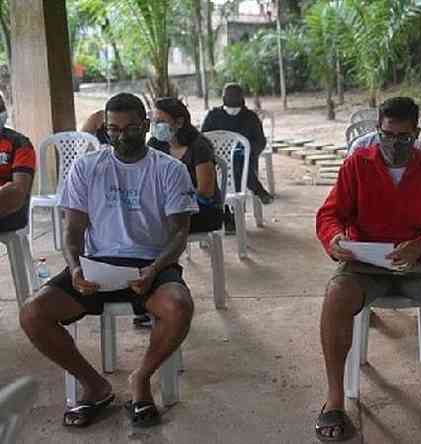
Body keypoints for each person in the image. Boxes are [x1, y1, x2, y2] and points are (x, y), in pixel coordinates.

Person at [314, 97, 421, 442]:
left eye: (403, 137)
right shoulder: (356, 165)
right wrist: (333, 238)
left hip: (419, 263)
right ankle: (334, 400)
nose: (394, 144)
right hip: (365, 264)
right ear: (377, 131)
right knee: (336, 296)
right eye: (386, 135)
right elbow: (330, 214)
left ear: (417, 133)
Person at [19, 93, 197, 428]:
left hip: (152, 264)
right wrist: (74, 269)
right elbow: (73, 232)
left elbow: (178, 235)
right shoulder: (87, 167)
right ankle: (95, 386)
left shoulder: (169, 170)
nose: (120, 136)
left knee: (179, 307)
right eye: (113, 129)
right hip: (97, 266)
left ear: (145, 126)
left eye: (130, 128)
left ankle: (140, 380)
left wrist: (154, 270)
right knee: (33, 312)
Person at [201, 83, 273, 235]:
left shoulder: (251, 117)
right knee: (229, 163)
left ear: (242, 98)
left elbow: (260, 141)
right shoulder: (213, 116)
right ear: (223, 98)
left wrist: (247, 151)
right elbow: (203, 141)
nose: (232, 99)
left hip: (245, 161)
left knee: (237, 161)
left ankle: (229, 218)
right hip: (217, 165)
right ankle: (257, 189)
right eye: (229, 96)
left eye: (235, 96)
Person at [150, 97, 222, 233]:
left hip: (202, 210)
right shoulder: (156, 145)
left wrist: (173, 197)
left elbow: (206, 191)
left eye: (161, 122)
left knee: (152, 226)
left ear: (179, 122)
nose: (155, 126)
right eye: (154, 121)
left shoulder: (199, 147)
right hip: (168, 207)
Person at [0, 93, 36, 234]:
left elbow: (18, 192)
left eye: (1, 108)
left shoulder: (19, 143)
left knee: (11, 191)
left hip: (10, 212)